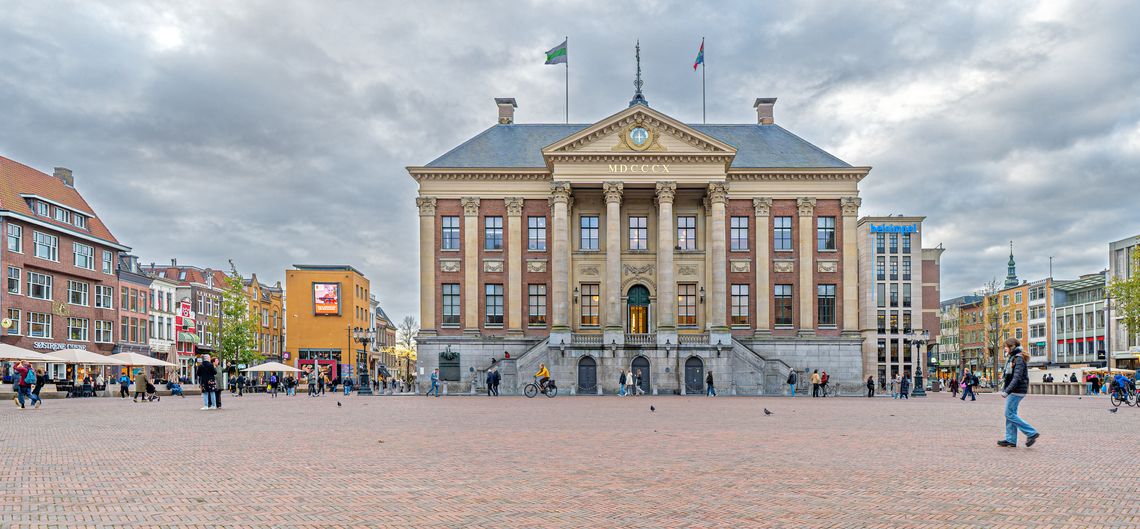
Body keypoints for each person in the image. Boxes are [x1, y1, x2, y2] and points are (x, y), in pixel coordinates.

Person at [998, 337, 1040, 447]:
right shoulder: (1013, 357)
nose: (1005, 349)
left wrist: (1007, 391)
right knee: (1011, 414)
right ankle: (1010, 439)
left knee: (1009, 413)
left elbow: (1017, 377)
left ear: (1012, 347)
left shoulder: (1018, 358)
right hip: (1014, 390)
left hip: (1016, 390)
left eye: (1006, 347)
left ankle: (1031, 433)